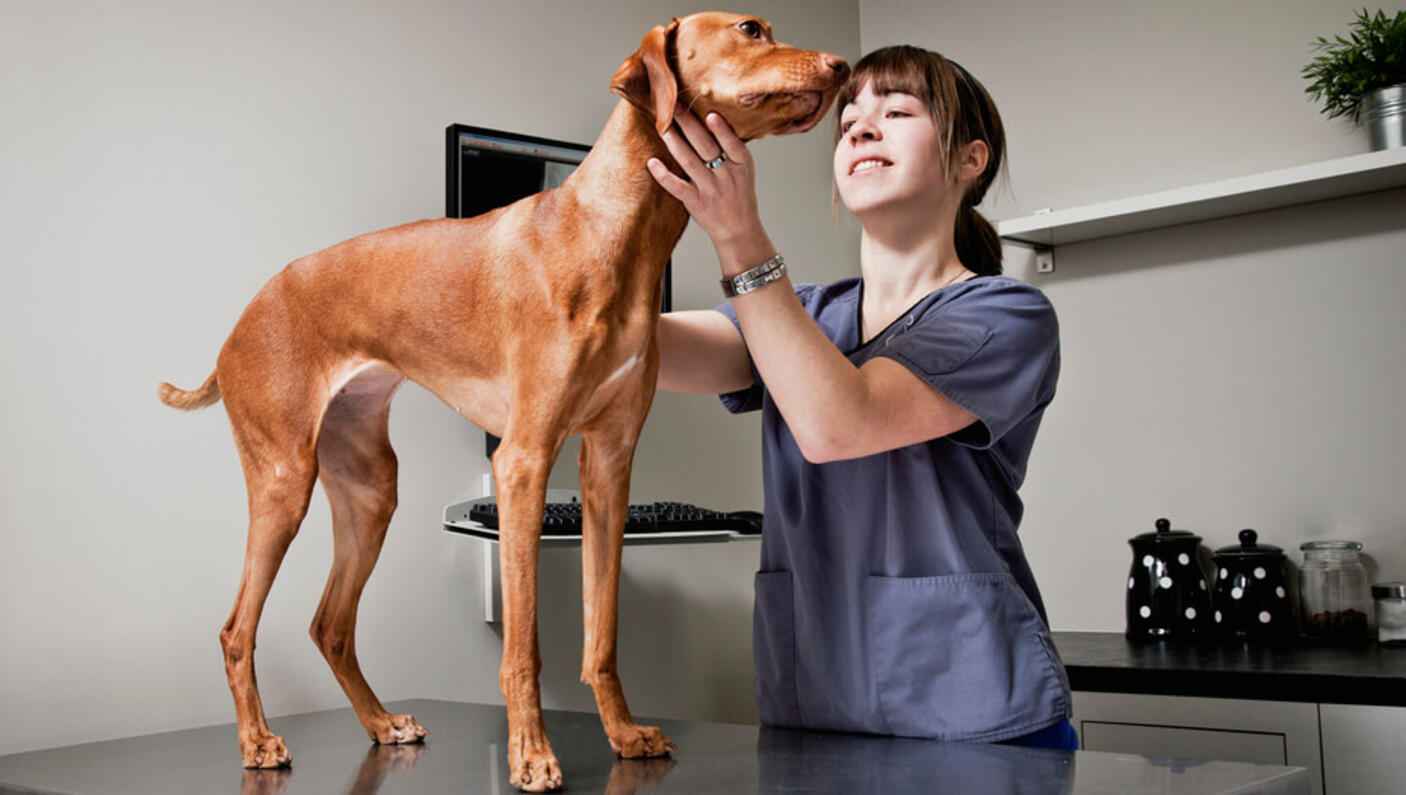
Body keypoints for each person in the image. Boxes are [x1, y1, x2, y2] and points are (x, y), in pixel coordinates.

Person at [647, 45, 1077, 750]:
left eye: (897, 110)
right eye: (848, 120)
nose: (860, 128)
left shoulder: (1006, 315)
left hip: (976, 719)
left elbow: (837, 422)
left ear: (971, 160)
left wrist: (737, 233)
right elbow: (634, 348)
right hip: (815, 712)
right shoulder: (800, 313)